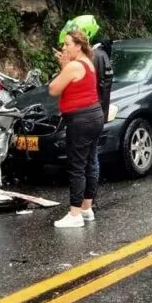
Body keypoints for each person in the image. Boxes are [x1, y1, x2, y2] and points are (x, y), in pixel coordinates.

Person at [50, 30, 105, 228]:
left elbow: (54, 88)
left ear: (78, 46)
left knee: (77, 165)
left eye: (66, 44)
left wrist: (63, 66)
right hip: (94, 116)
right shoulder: (88, 62)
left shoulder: (73, 65)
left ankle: (74, 214)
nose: (63, 48)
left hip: (80, 119)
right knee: (90, 162)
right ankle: (86, 208)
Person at [60, 16, 113, 185]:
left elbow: (84, 85)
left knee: (86, 162)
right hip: (96, 113)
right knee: (90, 158)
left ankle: (84, 203)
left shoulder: (94, 57)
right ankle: (87, 202)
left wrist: (65, 67)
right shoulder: (102, 54)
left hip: (88, 113)